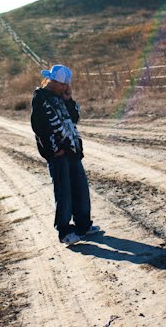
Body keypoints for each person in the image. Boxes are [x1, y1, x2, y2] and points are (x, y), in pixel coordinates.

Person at [30, 64, 101, 245]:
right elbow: (38, 127)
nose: (66, 87)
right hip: (59, 153)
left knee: (80, 188)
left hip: (72, 150)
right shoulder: (40, 99)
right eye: (64, 85)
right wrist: (53, 149)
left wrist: (69, 100)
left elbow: (74, 118)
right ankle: (64, 232)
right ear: (53, 82)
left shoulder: (60, 96)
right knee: (64, 192)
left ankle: (83, 226)